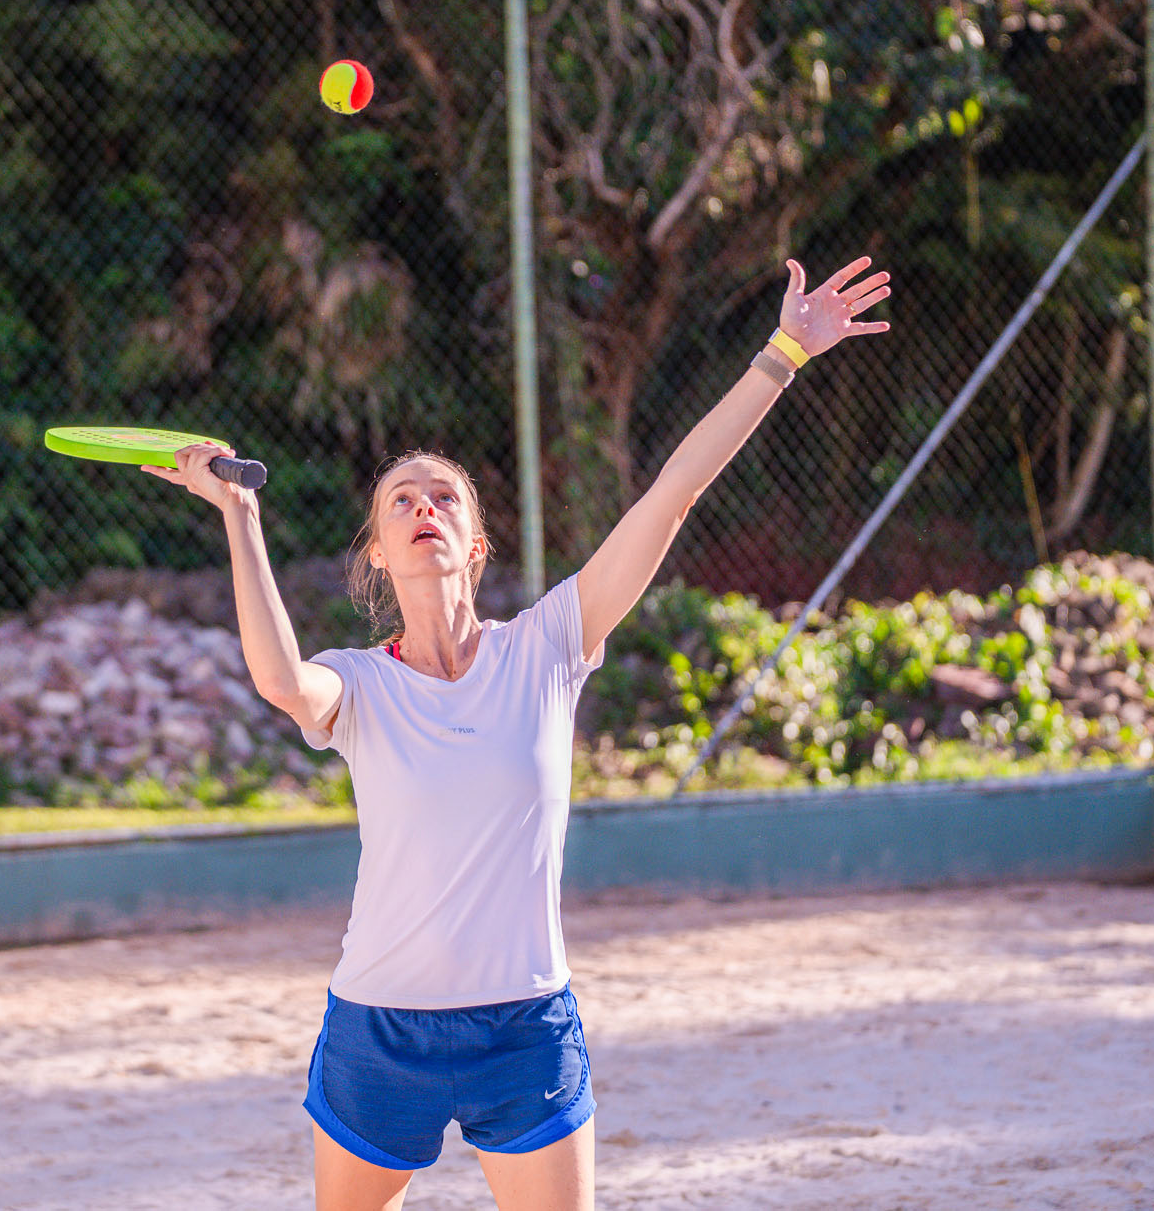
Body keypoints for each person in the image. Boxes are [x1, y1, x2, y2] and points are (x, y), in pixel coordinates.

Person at [142, 256, 891, 1211]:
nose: (424, 506)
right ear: (378, 554)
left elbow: (671, 495)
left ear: (477, 544)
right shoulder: (361, 681)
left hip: (525, 1026)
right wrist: (239, 515)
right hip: (382, 1027)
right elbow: (283, 681)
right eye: (402, 499)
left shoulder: (548, 645)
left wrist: (782, 353)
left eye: (444, 496)